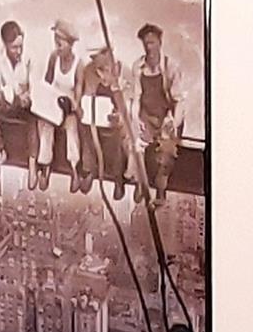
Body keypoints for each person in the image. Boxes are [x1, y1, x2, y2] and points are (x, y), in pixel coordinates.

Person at [132, 19, 184, 199]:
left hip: (166, 117)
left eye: (152, 43)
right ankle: (140, 183)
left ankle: (161, 189)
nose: (149, 47)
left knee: (166, 150)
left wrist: (173, 122)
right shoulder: (138, 67)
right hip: (146, 116)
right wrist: (136, 119)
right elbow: (136, 98)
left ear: (160, 43)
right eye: (146, 43)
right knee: (135, 144)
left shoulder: (171, 67)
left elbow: (179, 101)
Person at [72, 33, 127, 196]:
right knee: (85, 130)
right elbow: (86, 95)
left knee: (117, 137)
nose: (94, 60)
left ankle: (118, 177)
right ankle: (89, 170)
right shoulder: (89, 70)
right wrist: (81, 108)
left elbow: (127, 103)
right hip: (95, 118)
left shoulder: (122, 71)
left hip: (115, 120)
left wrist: (119, 115)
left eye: (97, 56)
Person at [0, 20, 39, 191]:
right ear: (5, 45)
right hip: (9, 100)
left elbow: (34, 86)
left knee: (34, 118)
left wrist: (26, 95)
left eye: (20, 46)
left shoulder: (30, 56)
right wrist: (2, 96)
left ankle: (32, 162)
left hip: (27, 104)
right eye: (14, 48)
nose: (18, 51)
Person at [33, 19, 79, 193]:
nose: (58, 47)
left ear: (70, 44)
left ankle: (74, 168)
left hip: (69, 108)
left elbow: (78, 96)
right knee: (45, 125)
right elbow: (48, 82)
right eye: (56, 43)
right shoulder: (54, 58)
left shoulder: (78, 64)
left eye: (61, 44)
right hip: (53, 105)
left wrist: (71, 104)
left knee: (71, 128)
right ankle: (45, 166)